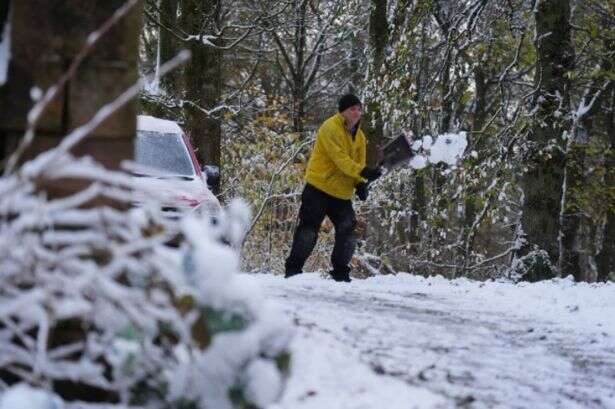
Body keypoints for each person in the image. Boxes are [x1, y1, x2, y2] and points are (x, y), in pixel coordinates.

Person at [284, 94, 383, 282]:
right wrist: (364, 172)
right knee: (308, 230)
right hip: (318, 187)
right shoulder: (330, 128)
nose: (357, 112)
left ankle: (340, 273)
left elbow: (356, 163)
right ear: (343, 111)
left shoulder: (360, 137)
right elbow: (340, 160)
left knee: (348, 230)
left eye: (359, 109)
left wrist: (360, 183)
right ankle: (293, 271)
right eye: (352, 109)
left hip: (341, 193)